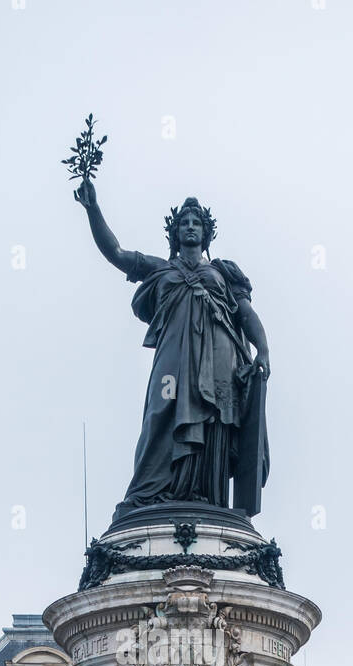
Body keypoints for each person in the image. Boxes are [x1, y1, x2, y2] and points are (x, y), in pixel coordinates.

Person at [75, 183, 270, 518]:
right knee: (161, 413)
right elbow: (117, 254)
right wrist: (93, 209)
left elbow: (247, 314)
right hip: (173, 358)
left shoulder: (223, 272)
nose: (190, 226)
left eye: (196, 222)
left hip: (220, 357)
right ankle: (151, 492)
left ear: (206, 233)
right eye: (184, 222)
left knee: (214, 423)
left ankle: (209, 499)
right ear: (175, 233)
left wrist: (262, 348)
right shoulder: (161, 269)